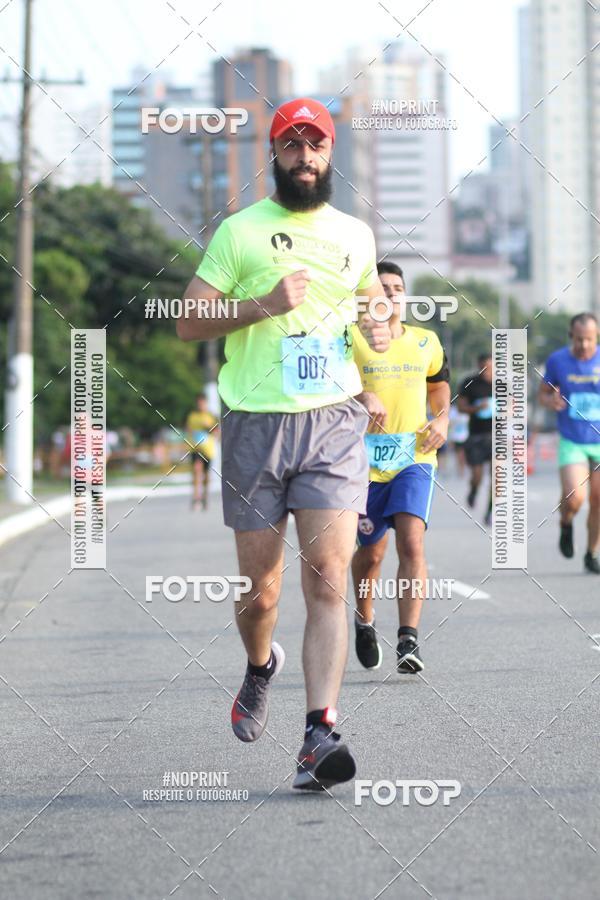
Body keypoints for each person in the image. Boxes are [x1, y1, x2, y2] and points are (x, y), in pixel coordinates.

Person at [177, 97, 390, 791]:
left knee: (328, 575)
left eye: (316, 145)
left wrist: (379, 330)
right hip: (255, 425)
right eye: (293, 145)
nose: (306, 157)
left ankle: (318, 731)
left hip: (332, 421)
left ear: (331, 153)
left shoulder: (357, 235)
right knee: (261, 593)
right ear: (276, 154)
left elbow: (369, 312)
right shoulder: (239, 232)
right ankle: (259, 663)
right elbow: (188, 321)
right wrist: (262, 306)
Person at [351, 262, 450, 673]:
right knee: (371, 555)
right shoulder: (349, 340)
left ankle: (408, 639)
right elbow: (328, 384)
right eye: (382, 287)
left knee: (411, 543)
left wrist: (442, 419)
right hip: (361, 463)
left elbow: (440, 384)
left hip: (415, 457)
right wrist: (360, 398)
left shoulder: (426, 341)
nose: (390, 293)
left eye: (397, 287)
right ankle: (363, 618)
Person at [538, 312, 600, 573]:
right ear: (570, 336)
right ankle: (566, 522)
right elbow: (543, 393)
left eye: (589, 339)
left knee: (598, 499)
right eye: (578, 339)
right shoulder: (558, 360)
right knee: (575, 498)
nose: (584, 345)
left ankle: (591, 554)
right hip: (572, 437)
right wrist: (550, 401)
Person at [458, 353, 494, 525]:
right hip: (476, 436)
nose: (487, 372)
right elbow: (461, 407)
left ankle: (490, 511)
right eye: (483, 368)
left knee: (498, 479)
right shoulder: (469, 383)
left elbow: (514, 405)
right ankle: (473, 490)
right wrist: (477, 408)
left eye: (491, 368)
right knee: (477, 476)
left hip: (498, 437)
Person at [186, 393, 219, 509]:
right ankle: (196, 497)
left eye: (202, 403)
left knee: (205, 475)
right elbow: (188, 430)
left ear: (205, 403)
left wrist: (208, 428)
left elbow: (217, 433)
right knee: (196, 470)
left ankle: (205, 496)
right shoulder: (192, 416)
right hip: (195, 448)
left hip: (208, 450)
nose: (200, 405)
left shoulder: (211, 416)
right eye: (198, 403)